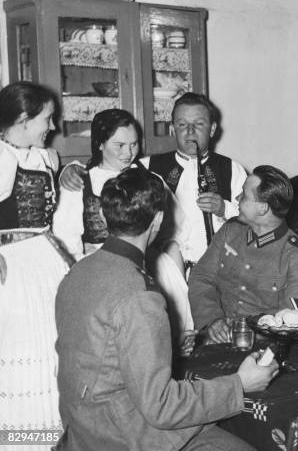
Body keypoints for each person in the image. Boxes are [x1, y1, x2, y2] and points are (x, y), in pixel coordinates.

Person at [55, 168, 278, 450]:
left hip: (83, 429)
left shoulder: (76, 272)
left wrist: (167, 345)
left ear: (102, 215)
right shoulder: (139, 296)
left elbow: (101, 354)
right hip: (124, 437)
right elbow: (161, 406)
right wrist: (240, 383)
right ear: (158, 220)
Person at [53, 108, 194, 348]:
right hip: (97, 266)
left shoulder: (150, 180)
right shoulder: (80, 181)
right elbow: (65, 238)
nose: (128, 153)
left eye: (133, 144)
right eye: (119, 145)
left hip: (144, 262)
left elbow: (176, 227)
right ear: (100, 144)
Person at [59, 92, 248, 269]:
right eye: (182, 125)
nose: (190, 132)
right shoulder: (146, 167)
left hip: (219, 269)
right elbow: (106, 167)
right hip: (158, 266)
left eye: (199, 124)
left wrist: (225, 209)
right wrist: (70, 170)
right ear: (172, 129)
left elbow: (255, 220)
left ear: (212, 128)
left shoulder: (232, 169)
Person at [0, 81, 70, 434]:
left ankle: (51, 435)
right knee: (23, 352)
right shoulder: (1, 159)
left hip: (45, 259)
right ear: (24, 119)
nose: (52, 127)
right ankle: (23, 436)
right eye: (47, 119)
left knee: (53, 351)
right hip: (15, 271)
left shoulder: (45, 156)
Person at [188, 165, 298, 343]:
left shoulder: (297, 256)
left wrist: (242, 334)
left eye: (244, 195)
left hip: (262, 346)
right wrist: (212, 321)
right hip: (213, 336)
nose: (238, 198)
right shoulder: (230, 231)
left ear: (263, 208)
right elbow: (201, 277)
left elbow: (291, 322)